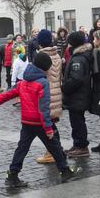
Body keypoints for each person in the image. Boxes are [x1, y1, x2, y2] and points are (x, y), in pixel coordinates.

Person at [0, 52, 80, 186]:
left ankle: (12, 175)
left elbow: (9, 94)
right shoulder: (43, 83)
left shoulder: (23, 81)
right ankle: (65, 171)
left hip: (27, 122)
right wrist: (48, 128)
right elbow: (43, 108)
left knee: (22, 148)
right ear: (45, 68)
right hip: (39, 123)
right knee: (54, 146)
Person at [33, 29, 65, 164]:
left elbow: (37, 76)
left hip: (45, 94)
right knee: (51, 123)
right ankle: (55, 150)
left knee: (48, 125)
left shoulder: (42, 57)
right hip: (56, 92)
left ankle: (54, 152)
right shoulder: (57, 55)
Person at [61, 31, 93, 157]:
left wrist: (64, 88)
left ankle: (82, 146)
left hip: (77, 96)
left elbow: (76, 79)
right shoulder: (79, 55)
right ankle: (77, 144)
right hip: (77, 96)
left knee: (78, 122)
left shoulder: (78, 58)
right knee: (76, 121)